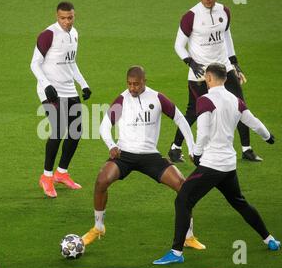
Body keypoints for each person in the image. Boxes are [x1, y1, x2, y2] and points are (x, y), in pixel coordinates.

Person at [153, 63, 280, 265]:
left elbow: (202, 132)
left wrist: (196, 152)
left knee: (183, 199)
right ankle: (270, 239)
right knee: (240, 202)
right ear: (226, 78)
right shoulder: (235, 100)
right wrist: (268, 137)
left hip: (212, 165)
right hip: (228, 165)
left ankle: (176, 253)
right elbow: (253, 121)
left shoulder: (205, 100)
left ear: (209, 78)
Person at [82, 65, 206, 250]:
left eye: (136, 84)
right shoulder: (122, 99)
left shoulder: (157, 98)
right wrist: (112, 146)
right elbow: (104, 126)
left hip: (150, 155)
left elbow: (180, 118)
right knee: (101, 181)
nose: (132, 88)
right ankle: (98, 227)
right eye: (130, 84)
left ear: (144, 82)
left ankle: (188, 236)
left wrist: (191, 147)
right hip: (124, 154)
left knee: (183, 187)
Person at [168, 0, 262, 163]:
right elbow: (178, 45)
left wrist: (234, 62)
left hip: (224, 68)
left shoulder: (224, 11)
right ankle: (175, 148)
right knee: (194, 111)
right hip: (202, 73)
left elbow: (227, 36)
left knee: (239, 106)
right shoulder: (191, 16)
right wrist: (191, 63)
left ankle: (247, 149)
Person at [30, 1, 92, 198]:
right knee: (58, 129)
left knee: (76, 131)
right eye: (62, 18)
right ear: (57, 17)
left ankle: (61, 173)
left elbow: (72, 63)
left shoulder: (74, 34)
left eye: (70, 18)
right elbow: (34, 64)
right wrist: (46, 85)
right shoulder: (48, 34)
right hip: (49, 89)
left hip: (68, 89)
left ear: (75, 16)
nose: (66, 22)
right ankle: (46, 177)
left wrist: (84, 84)